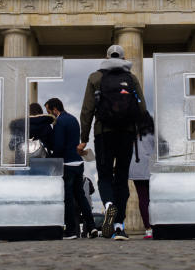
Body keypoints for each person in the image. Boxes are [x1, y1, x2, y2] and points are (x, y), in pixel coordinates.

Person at [78, 44, 147, 241]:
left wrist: (83, 139)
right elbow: (142, 108)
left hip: (103, 133)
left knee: (105, 175)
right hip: (126, 133)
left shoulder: (95, 77)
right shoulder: (131, 79)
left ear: (106, 57)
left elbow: (87, 110)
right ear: (124, 58)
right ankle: (119, 226)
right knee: (122, 178)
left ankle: (108, 205)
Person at [44, 97, 99, 240]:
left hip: (66, 164)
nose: (49, 114)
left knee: (68, 199)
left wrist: (53, 157)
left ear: (55, 109)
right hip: (78, 163)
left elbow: (59, 145)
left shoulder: (59, 122)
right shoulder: (73, 119)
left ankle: (71, 231)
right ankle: (92, 226)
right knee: (81, 197)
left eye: (49, 111)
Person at [129, 112, 155, 239]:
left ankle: (148, 228)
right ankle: (157, 224)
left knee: (143, 199)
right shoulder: (153, 133)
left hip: (137, 169)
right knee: (154, 199)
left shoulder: (132, 135)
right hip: (152, 168)